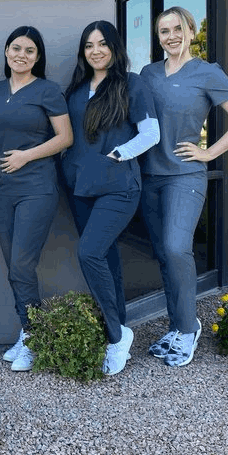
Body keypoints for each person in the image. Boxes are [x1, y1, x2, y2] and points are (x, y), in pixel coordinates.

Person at [140, 6, 228, 367]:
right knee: (164, 255)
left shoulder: (207, 72)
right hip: (149, 177)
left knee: (177, 248)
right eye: (164, 31)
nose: (171, 36)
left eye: (178, 29)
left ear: (191, 32)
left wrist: (209, 153)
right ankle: (177, 326)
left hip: (184, 176)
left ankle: (189, 328)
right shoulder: (148, 73)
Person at [62, 21, 160, 375]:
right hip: (79, 186)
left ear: (115, 48)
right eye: (89, 45)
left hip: (118, 186)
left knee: (89, 253)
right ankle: (117, 326)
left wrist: (118, 155)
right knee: (107, 258)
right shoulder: (76, 89)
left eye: (103, 44)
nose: (96, 51)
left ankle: (118, 337)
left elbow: (151, 133)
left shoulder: (131, 84)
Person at [0, 27, 72, 372]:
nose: (21, 55)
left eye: (29, 50)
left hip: (36, 188)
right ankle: (28, 331)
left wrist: (26, 156)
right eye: (16, 48)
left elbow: (65, 137)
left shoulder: (48, 90)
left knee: (22, 265)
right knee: (14, 267)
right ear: (6, 51)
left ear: (38, 57)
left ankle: (34, 338)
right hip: (0, 190)